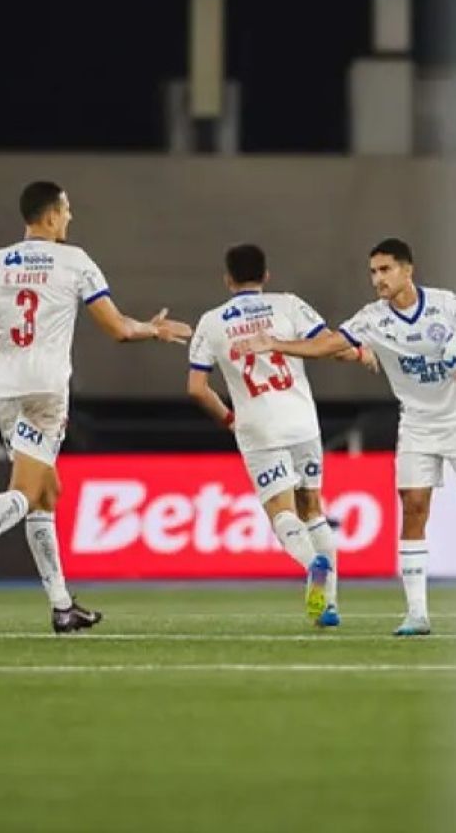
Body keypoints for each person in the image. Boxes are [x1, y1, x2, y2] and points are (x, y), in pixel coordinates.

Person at [0, 180, 192, 633]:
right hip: (46, 392)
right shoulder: (75, 261)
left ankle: (62, 606)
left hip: (5, 389)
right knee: (26, 489)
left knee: (46, 492)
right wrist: (153, 330)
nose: (70, 217)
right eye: (67, 210)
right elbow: (118, 329)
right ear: (52, 215)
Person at [236, 238, 456, 636]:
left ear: (408, 270)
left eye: (386, 270)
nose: (378, 279)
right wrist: (276, 344)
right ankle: (417, 614)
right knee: (413, 508)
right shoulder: (372, 319)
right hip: (417, 426)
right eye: (373, 272)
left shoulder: (448, 305)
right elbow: (327, 345)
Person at [188, 244, 352, 627]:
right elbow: (329, 344)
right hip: (302, 422)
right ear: (266, 275)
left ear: (227, 279)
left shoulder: (212, 322)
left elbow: (196, 388)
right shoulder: (289, 305)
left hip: (258, 427)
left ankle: (313, 563)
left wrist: (229, 419)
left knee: (282, 512)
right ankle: (328, 604)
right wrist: (357, 354)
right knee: (313, 509)